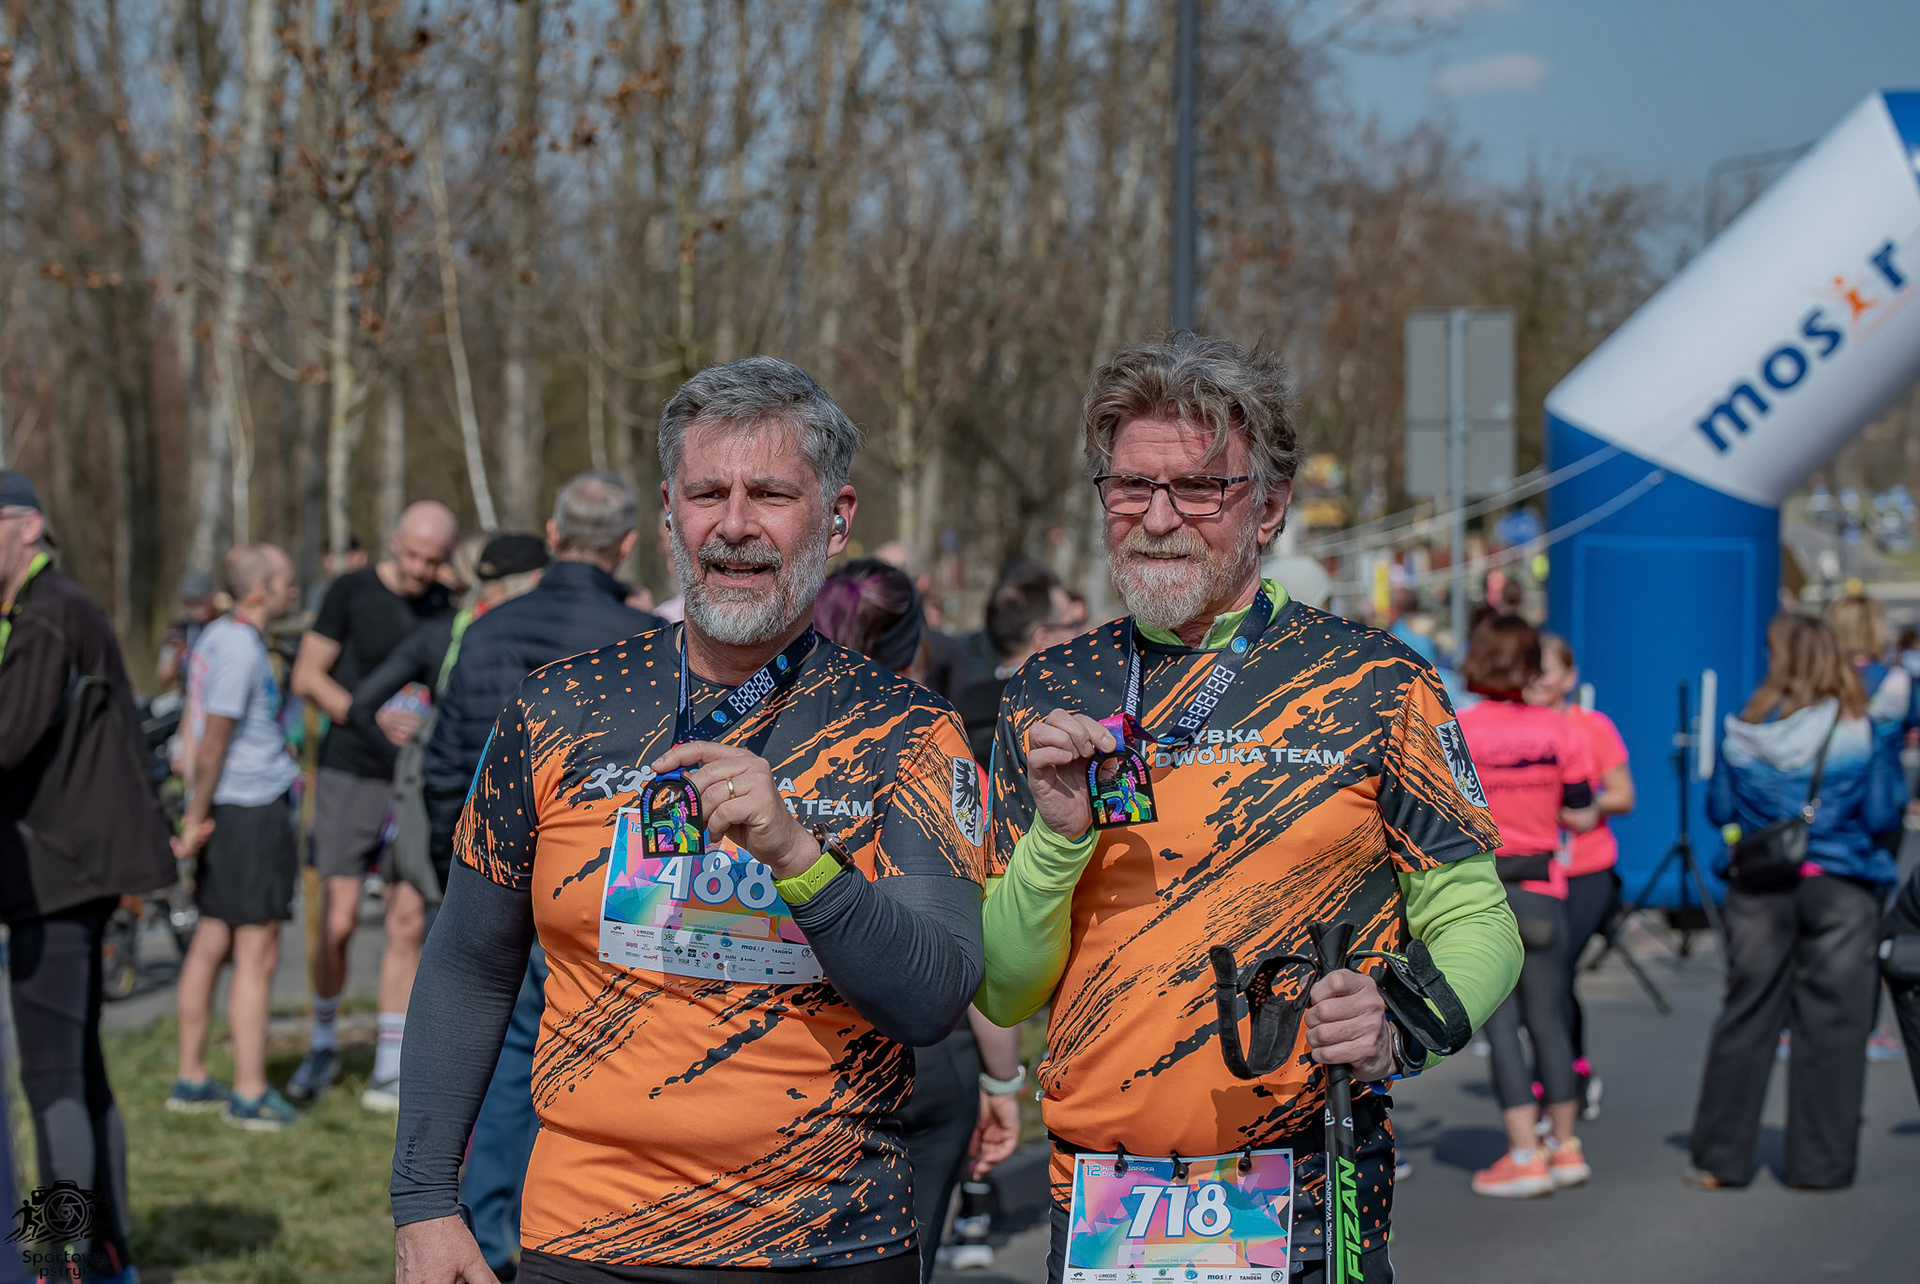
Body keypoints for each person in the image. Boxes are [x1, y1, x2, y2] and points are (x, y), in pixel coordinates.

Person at [391, 357, 987, 1284]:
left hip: (829, 1241)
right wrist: (425, 1201)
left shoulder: (910, 732)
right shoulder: (557, 708)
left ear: (837, 518)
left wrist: (797, 856)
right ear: (669, 513)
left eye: (771, 494)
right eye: (708, 493)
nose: (735, 524)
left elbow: (933, 996)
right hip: (589, 1242)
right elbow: (468, 962)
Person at [978, 333, 1520, 1284]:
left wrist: (1397, 1024)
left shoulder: (1376, 682)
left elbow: (1478, 919)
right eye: (1130, 487)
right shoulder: (1047, 691)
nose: (1157, 519)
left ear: (1268, 507)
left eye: (1198, 490)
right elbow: (1004, 988)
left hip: (1308, 1189)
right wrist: (1058, 844)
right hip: (1103, 1203)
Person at [417, 477, 659, 1280]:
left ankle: (493, 1229)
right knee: (594, 1049)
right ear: (627, 544)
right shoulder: (647, 644)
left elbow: (445, 761)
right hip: (602, 887)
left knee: (503, 1052)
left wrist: (455, 871)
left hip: (498, 875)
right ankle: (573, 1222)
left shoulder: (488, 630)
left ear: (553, 533)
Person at [812, 558, 1022, 1284]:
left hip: (796, 1050)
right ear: (916, 648)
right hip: (925, 1061)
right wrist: (1002, 1081)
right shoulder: (939, 752)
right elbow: (982, 932)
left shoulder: (768, 746)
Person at [0, 469, 174, 1283]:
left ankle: (61, 1263)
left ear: (28, 527)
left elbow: (6, 739)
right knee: (80, 1071)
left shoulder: (45, 614)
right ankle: (108, 1256)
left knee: (52, 1081)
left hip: (56, 877)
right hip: (76, 869)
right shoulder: (56, 608)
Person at [1688, 613, 1905, 1190]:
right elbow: (1882, 813)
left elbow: (1719, 810)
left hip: (1760, 884)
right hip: (1840, 884)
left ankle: (1720, 1158)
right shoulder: (1860, 729)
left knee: (1747, 1013)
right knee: (1833, 1024)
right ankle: (1821, 1164)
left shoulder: (1742, 731)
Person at [287, 501, 458, 1107]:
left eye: (432, 560)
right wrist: (368, 715)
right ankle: (323, 1039)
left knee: (406, 920)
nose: (419, 570)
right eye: (412, 556)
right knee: (337, 922)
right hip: (350, 769)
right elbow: (307, 676)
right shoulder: (350, 591)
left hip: (413, 782)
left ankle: (390, 1064)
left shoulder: (446, 605)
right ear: (393, 541)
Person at [1454, 615, 1597, 1197]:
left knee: (1502, 1027)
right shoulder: (1561, 729)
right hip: (1544, 889)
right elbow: (1581, 813)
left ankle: (1523, 1155)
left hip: (1487, 891)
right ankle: (1565, 1147)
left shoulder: (1458, 728)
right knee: (1550, 1020)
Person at [167, 544, 305, 1129]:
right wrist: (193, 818)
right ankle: (248, 1092)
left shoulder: (215, 638)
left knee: (212, 940)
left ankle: (193, 1076)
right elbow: (214, 740)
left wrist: (196, 808)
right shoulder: (241, 649)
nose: (294, 590)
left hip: (231, 807)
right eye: (287, 581)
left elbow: (193, 726)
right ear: (258, 591)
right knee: (256, 951)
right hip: (247, 812)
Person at [1531, 633, 1633, 1119]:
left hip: (1586, 869)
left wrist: (1589, 808)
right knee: (1542, 979)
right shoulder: (1517, 728)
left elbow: (1624, 794)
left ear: (1569, 677)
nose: (1536, 678)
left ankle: (1569, 1072)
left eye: (1546, 668)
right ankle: (1557, 1072)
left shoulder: (1593, 727)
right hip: (1532, 871)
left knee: (1557, 972)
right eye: (1530, 668)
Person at [952, 566, 1076, 766]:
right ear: (1043, 639)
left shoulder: (961, 707)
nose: (1082, 633)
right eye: (1072, 624)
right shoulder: (1065, 709)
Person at [157, 568, 222, 690]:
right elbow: (164, 677)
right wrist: (176, 656)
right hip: (188, 693)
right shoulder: (178, 631)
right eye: (189, 602)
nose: (194, 609)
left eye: (199, 601)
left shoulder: (225, 626)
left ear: (212, 598)